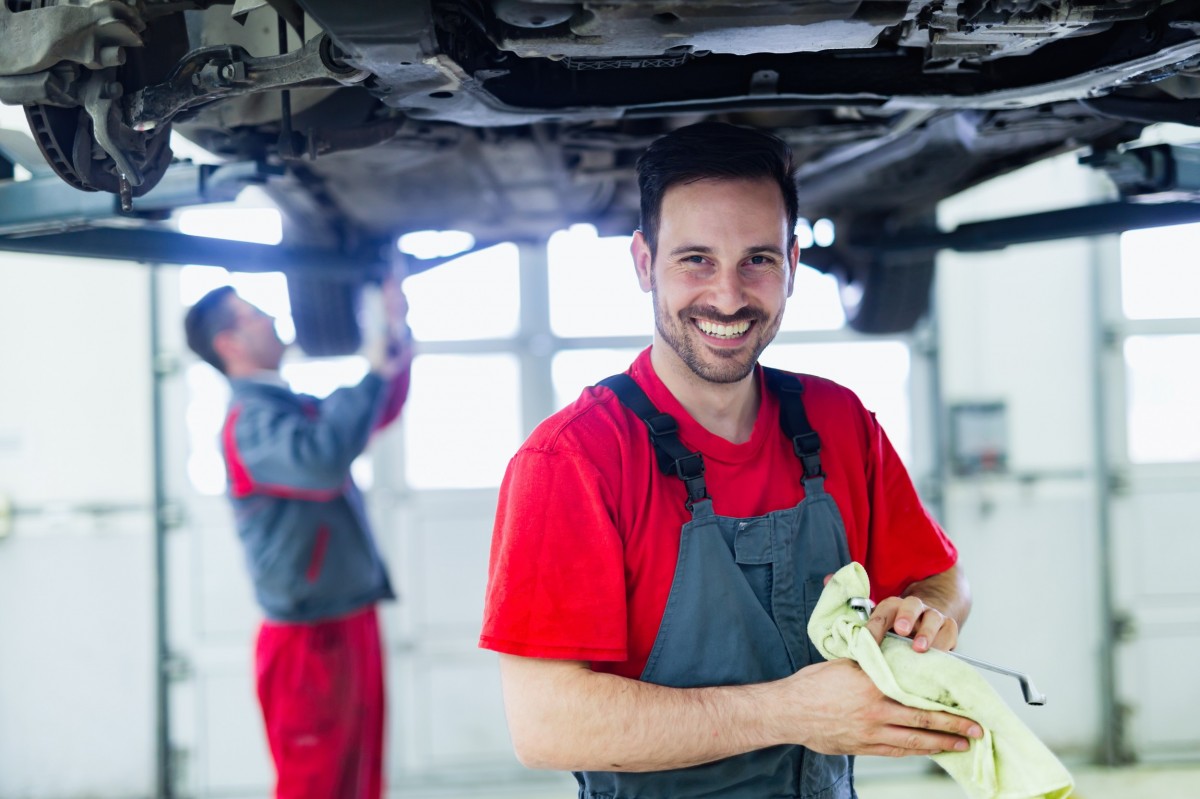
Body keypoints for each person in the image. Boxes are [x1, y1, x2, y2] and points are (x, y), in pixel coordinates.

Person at [478, 122, 979, 798]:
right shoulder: (574, 460)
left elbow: (943, 578)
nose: (728, 296)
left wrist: (924, 614)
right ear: (641, 262)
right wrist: (793, 710)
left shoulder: (839, 423)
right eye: (696, 260)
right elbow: (545, 723)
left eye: (758, 260)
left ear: (794, 265)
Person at [184, 277, 411, 799]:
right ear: (229, 344)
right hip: (309, 642)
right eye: (253, 314)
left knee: (359, 779)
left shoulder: (287, 406)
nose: (271, 318)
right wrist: (374, 372)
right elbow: (322, 460)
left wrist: (393, 332)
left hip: (346, 619)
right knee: (316, 783)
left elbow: (369, 413)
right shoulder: (250, 423)